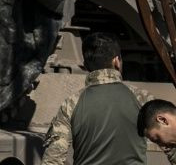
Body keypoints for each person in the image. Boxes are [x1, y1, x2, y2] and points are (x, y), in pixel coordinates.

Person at [44, 33, 172, 164]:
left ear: (86, 65)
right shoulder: (143, 98)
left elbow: (53, 159)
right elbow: (172, 143)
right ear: (116, 61)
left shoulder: (71, 103)